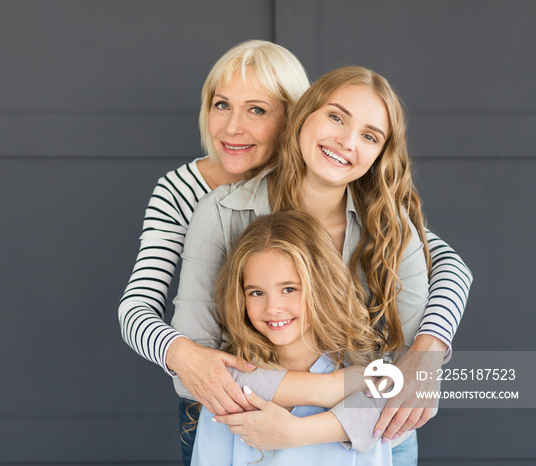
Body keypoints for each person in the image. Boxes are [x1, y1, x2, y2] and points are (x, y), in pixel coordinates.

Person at [117, 40, 471, 464]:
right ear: (307, 118)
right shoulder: (209, 204)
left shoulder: (387, 221)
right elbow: (201, 364)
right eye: (222, 104)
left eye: (257, 109)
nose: (233, 128)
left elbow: (443, 283)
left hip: (362, 435)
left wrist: (428, 353)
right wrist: (333, 389)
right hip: (246, 428)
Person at [191, 210, 391, 465]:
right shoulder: (226, 390)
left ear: (322, 287)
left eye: (289, 289)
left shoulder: (364, 385)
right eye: (256, 293)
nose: (273, 307)